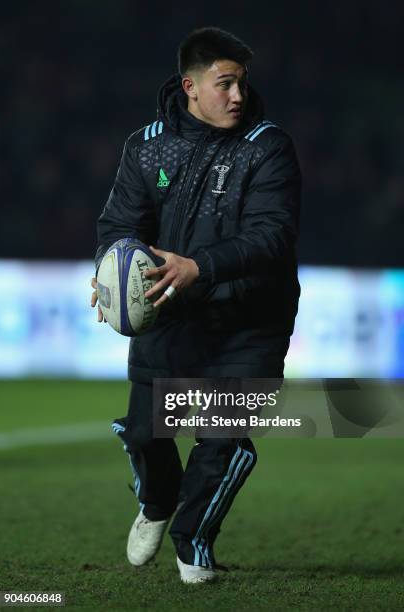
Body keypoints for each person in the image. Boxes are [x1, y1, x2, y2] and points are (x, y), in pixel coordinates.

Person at [91, 26, 301, 583]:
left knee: (221, 437)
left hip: (251, 320)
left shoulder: (267, 145)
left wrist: (199, 267)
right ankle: (157, 502)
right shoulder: (148, 145)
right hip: (171, 312)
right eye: (224, 83)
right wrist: (110, 269)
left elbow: (273, 235)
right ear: (190, 85)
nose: (237, 95)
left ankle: (192, 541)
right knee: (146, 434)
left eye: (241, 83)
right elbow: (120, 225)